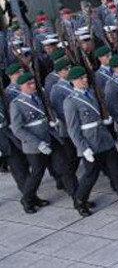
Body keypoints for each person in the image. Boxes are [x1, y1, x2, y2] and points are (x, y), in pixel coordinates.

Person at [64, 66, 118, 217]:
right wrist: (83, 148)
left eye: (85, 77)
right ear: (72, 81)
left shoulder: (92, 94)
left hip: (104, 139)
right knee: (90, 176)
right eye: (80, 78)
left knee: (117, 172)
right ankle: (80, 201)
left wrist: (106, 119)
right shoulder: (70, 102)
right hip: (90, 143)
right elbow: (73, 129)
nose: (85, 80)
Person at [10, 71, 78, 213]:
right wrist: (37, 143)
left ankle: (78, 198)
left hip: (50, 137)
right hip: (35, 145)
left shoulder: (39, 97)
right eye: (29, 84)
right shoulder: (16, 104)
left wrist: (54, 121)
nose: (33, 85)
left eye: (33, 82)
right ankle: (27, 199)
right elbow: (17, 129)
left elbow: (48, 112)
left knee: (64, 168)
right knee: (37, 174)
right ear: (21, 87)